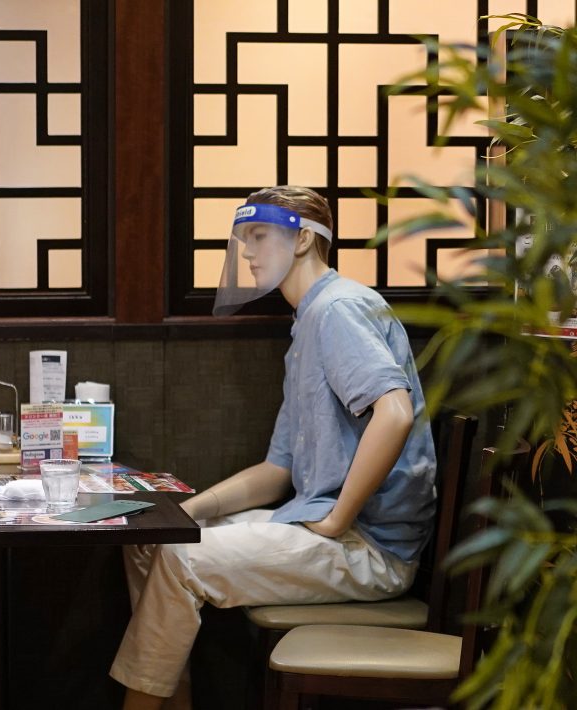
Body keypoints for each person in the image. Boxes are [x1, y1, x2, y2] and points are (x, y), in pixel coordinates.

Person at [109, 186, 437, 708]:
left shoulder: (339, 307)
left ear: (304, 238)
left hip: (367, 547)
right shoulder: (307, 321)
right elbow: (278, 468)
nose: (247, 251)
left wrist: (336, 519)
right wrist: (184, 513)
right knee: (148, 544)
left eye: (258, 236)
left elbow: (393, 414)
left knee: (176, 558)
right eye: (244, 239)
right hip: (321, 522)